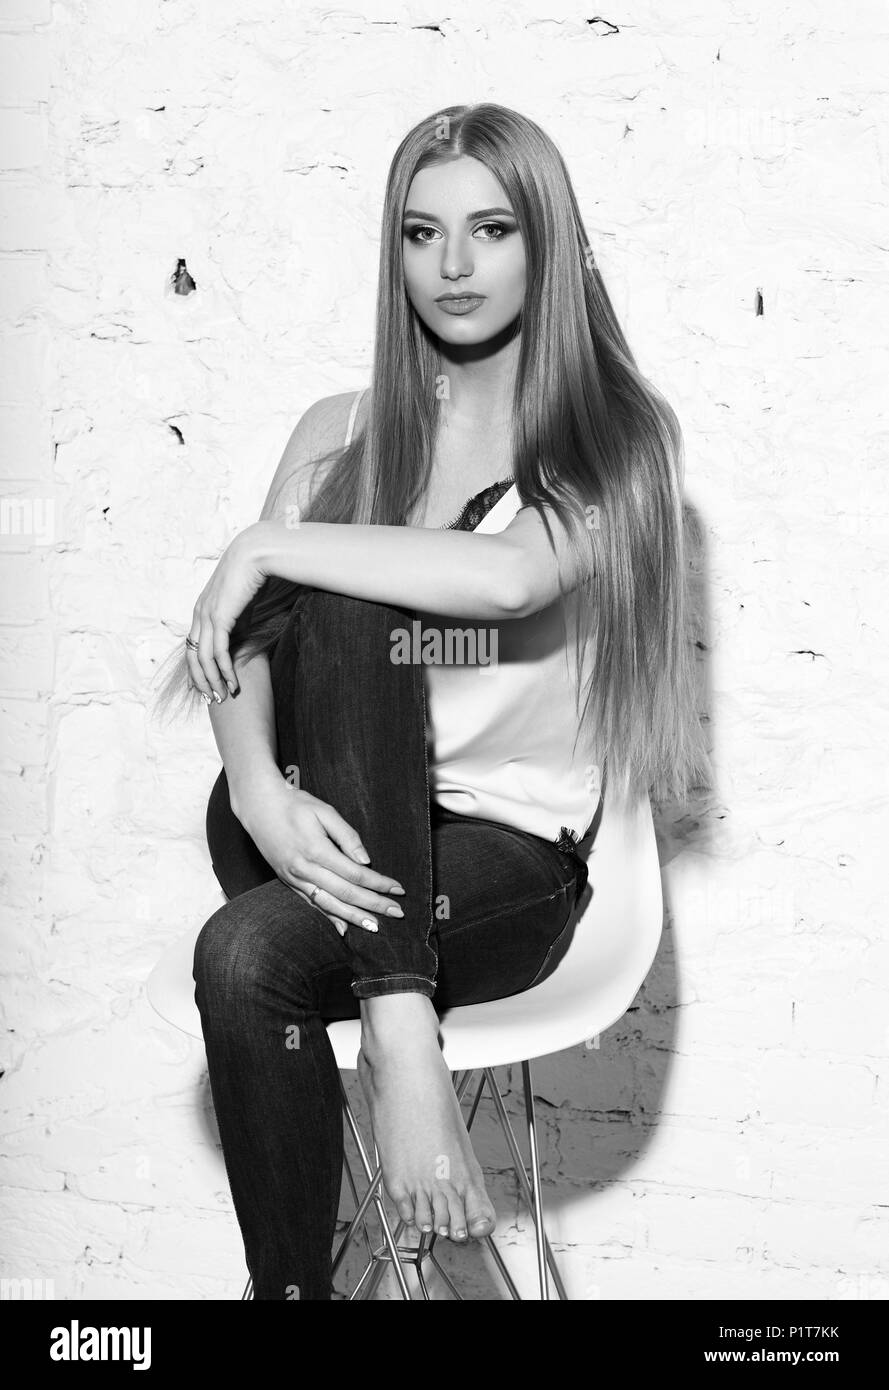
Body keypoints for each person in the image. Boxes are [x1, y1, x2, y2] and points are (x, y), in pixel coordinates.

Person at [151, 102, 710, 1300]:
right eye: (421, 233)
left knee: (245, 954)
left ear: (543, 244)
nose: (452, 267)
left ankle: (387, 1081)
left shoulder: (613, 441)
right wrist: (255, 786)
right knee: (323, 603)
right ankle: (404, 1146)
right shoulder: (336, 431)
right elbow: (241, 657)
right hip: (325, 821)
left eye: (490, 228)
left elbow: (509, 579)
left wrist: (270, 543)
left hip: (510, 863)